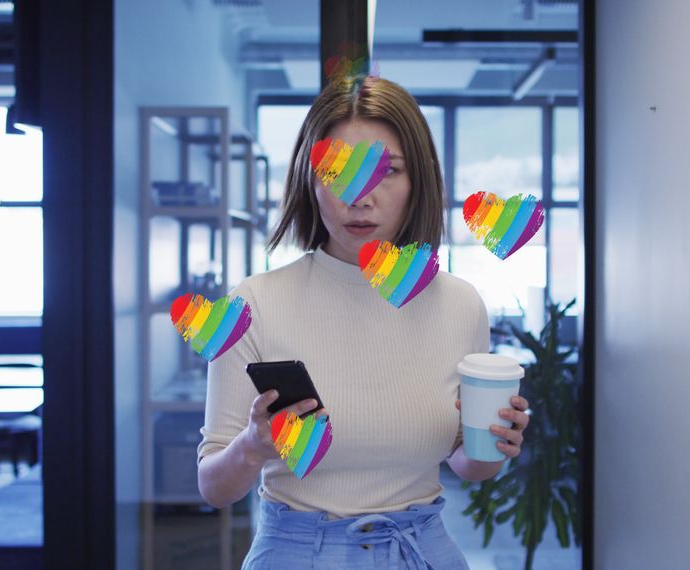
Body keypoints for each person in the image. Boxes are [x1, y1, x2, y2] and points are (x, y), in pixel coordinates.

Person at [196, 74, 531, 569]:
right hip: (295, 553)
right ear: (309, 182)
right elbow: (213, 487)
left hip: (422, 550)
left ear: (418, 179)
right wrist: (251, 447)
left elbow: (467, 464)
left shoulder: (461, 305)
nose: (360, 196)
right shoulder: (253, 304)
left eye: (386, 170)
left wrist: (495, 446)